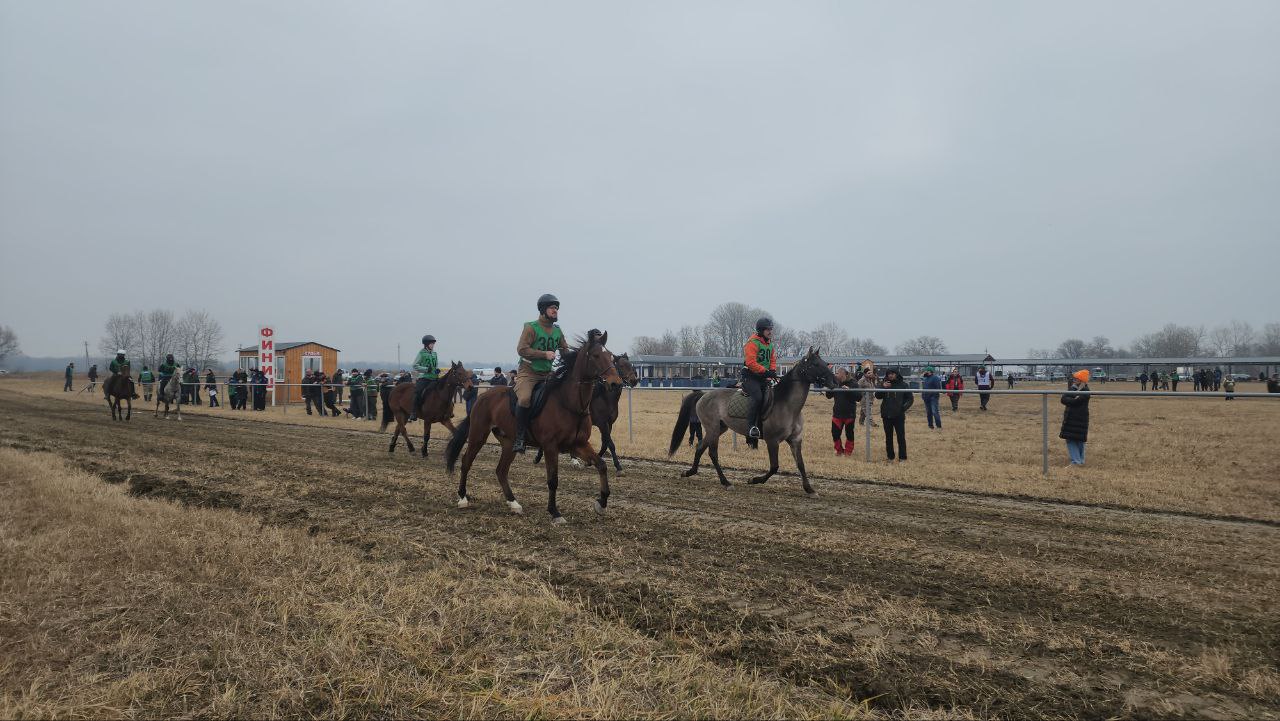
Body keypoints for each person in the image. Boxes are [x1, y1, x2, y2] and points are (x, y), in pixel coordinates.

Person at [513, 293, 570, 453]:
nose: (555, 310)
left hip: (547, 373)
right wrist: (544, 354)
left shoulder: (557, 330)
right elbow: (521, 349)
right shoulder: (531, 327)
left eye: (556, 308)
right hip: (528, 373)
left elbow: (565, 351)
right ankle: (520, 437)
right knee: (525, 399)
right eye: (552, 308)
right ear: (543, 310)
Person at [740, 317, 777, 446]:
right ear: (761, 330)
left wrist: (772, 371)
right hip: (750, 377)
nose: (770, 332)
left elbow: (772, 360)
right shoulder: (752, 343)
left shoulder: (770, 344)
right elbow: (750, 362)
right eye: (768, 329)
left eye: (771, 329)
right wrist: (765, 371)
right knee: (758, 397)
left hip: (762, 377)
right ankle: (751, 427)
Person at [875, 368, 913, 462]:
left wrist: (902, 408)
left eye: (892, 373)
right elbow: (878, 396)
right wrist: (883, 387)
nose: (890, 375)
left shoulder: (903, 385)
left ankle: (902, 457)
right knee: (888, 437)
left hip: (898, 415)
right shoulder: (884, 384)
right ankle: (890, 457)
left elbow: (910, 399)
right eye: (889, 374)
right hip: (886, 414)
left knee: (901, 437)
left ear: (897, 374)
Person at [1060, 370, 1091, 466]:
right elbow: (1063, 399)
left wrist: (1071, 398)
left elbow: (1075, 402)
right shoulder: (1073, 388)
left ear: (1081, 380)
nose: (1074, 380)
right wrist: (1073, 397)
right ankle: (1079, 460)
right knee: (1073, 439)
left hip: (1079, 418)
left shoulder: (1086, 391)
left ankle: (1077, 461)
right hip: (1071, 418)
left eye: (1076, 379)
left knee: (1078, 440)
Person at [407, 337, 440, 423]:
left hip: (434, 377)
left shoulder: (434, 353)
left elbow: (435, 365)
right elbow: (415, 365)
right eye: (431, 344)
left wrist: (436, 370)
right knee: (418, 392)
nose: (433, 345)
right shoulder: (421, 353)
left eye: (433, 344)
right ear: (426, 344)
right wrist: (426, 369)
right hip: (424, 377)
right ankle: (413, 412)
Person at [826, 367, 858, 455]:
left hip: (849, 414)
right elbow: (828, 396)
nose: (836, 375)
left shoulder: (853, 383)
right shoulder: (835, 383)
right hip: (837, 413)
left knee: (849, 434)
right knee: (835, 434)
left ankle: (848, 451)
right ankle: (839, 450)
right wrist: (830, 387)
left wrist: (849, 391)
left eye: (838, 373)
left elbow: (859, 397)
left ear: (845, 374)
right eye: (836, 373)